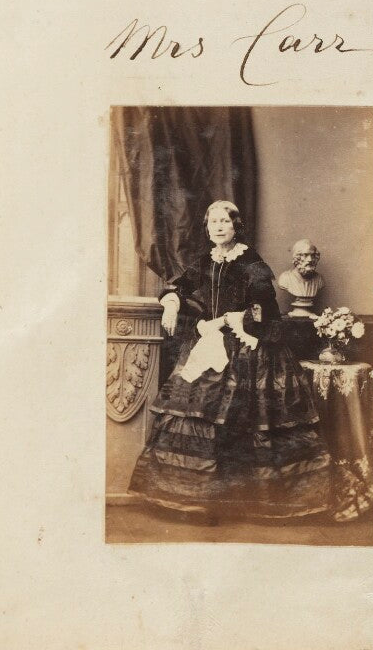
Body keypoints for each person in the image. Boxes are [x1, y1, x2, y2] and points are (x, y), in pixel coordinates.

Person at [129, 201, 333, 520]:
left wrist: (227, 320)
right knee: (197, 410)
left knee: (245, 417)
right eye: (213, 222)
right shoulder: (207, 259)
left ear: (236, 226)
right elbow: (178, 287)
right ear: (207, 227)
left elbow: (263, 310)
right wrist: (171, 304)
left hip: (247, 346)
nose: (219, 227)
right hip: (210, 341)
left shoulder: (251, 261)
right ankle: (203, 501)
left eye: (225, 221)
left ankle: (244, 501)